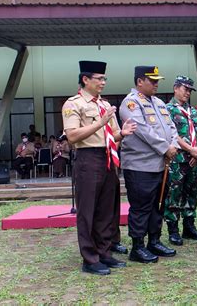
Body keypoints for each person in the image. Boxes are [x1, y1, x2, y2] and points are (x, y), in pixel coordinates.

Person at [62, 60, 137, 275]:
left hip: (107, 158)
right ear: (85, 79)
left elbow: (111, 136)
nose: (103, 82)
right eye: (99, 78)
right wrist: (101, 122)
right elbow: (72, 136)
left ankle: (104, 253)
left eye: (105, 79)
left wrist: (123, 132)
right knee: (87, 211)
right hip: (87, 159)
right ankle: (89, 258)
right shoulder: (73, 104)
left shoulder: (103, 104)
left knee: (107, 210)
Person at [119, 65, 179, 263]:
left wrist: (173, 145)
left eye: (157, 81)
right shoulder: (131, 104)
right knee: (141, 206)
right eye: (152, 81)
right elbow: (143, 130)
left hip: (161, 165)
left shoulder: (159, 102)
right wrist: (165, 148)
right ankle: (137, 247)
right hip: (140, 165)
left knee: (158, 205)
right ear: (139, 82)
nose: (156, 84)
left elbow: (172, 127)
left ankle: (154, 241)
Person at [164, 76, 197, 246]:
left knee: (192, 192)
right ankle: (173, 230)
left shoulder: (193, 111)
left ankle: (189, 227)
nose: (187, 92)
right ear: (175, 88)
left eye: (190, 90)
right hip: (177, 159)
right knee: (174, 194)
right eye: (185, 89)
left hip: (194, 159)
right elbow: (172, 135)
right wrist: (191, 150)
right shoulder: (167, 109)